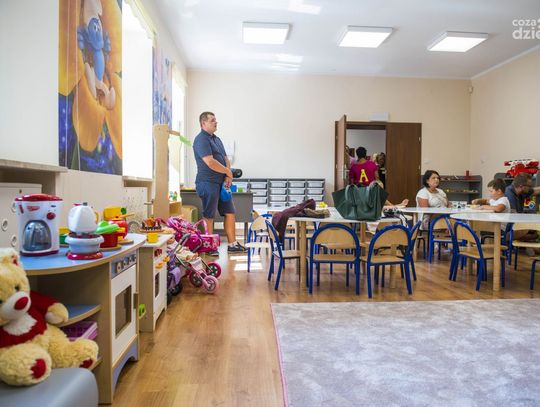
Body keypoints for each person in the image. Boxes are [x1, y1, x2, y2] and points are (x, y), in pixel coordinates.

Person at [193, 111, 246, 254]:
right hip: (207, 183)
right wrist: (227, 171)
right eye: (212, 120)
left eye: (215, 120)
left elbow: (225, 159)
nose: (216, 122)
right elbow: (210, 162)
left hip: (221, 183)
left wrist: (228, 175)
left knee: (230, 212)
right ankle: (209, 246)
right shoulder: (201, 140)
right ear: (203, 123)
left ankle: (233, 244)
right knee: (209, 215)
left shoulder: (217, 139)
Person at [504, 173, 540, 247]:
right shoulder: (509, 194)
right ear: (521, 186)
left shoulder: (521, 191)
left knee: (534, 233)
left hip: (516, 223)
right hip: (508, 227)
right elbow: (514, 217)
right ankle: (506, 241)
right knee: (533, 232)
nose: (530, 188)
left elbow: (535, 191)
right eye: (529, 186)